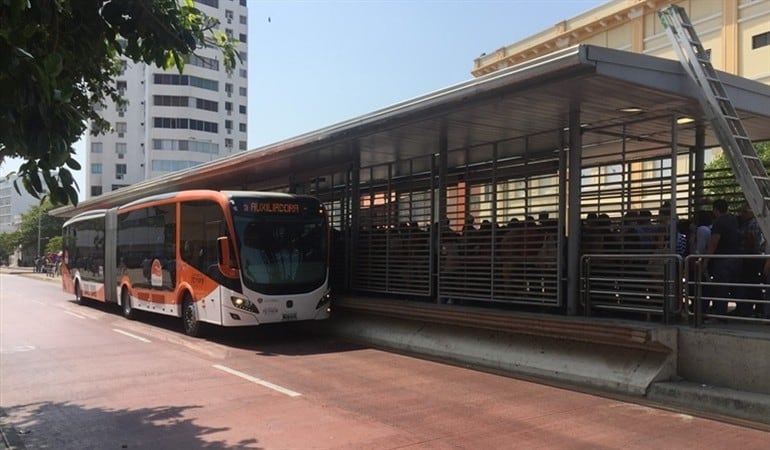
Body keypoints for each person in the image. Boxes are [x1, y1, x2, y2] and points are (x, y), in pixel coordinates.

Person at [704, 199, 741, 316]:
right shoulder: (734, 219)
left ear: (715, 210)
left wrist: (706, 260)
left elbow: (714, 242)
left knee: (721, 287)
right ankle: (743, 309)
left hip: (722, 259)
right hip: (736, 257)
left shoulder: (718, 223)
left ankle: (720, 313)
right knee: (736, 286)